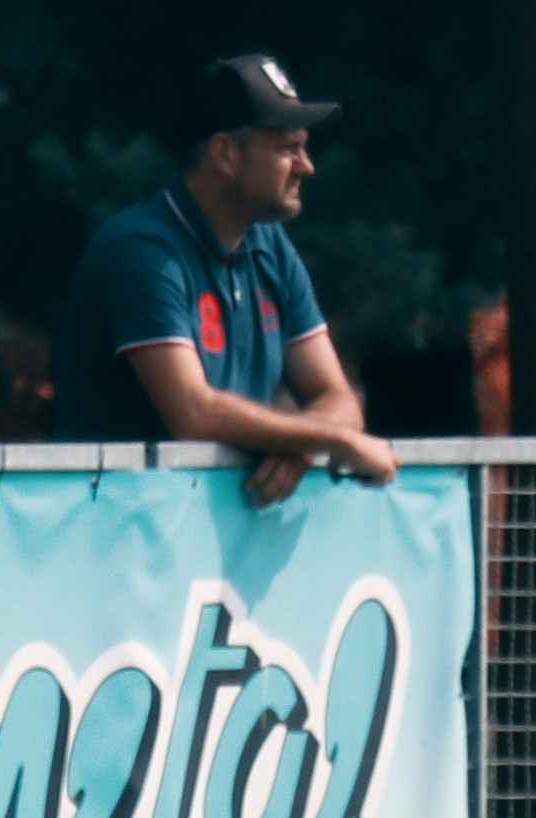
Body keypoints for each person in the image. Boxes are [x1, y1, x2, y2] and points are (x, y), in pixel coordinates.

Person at [53, 56, 404, 504]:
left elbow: (336, 398)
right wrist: (331, 441)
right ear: (226, 154)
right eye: (288, 148)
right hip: (115, 537)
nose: (306, 166)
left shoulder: (271, 245)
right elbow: (194, 413)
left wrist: (298, 446)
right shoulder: (142, 248)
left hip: (203, 540)